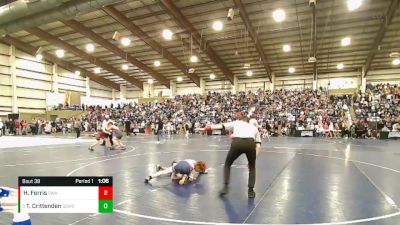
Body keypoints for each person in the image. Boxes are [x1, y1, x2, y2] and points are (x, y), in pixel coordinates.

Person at [219, 113, 261, 198]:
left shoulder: (237, 123)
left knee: (227, 164)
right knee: (252, 167)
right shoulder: (254, 128)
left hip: (237, 143)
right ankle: (250, 191)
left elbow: (221, 126)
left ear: (241, 120)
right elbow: (258, 145)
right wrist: (253, 159)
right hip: (250, 144)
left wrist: (205, 128)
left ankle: (225, 187)